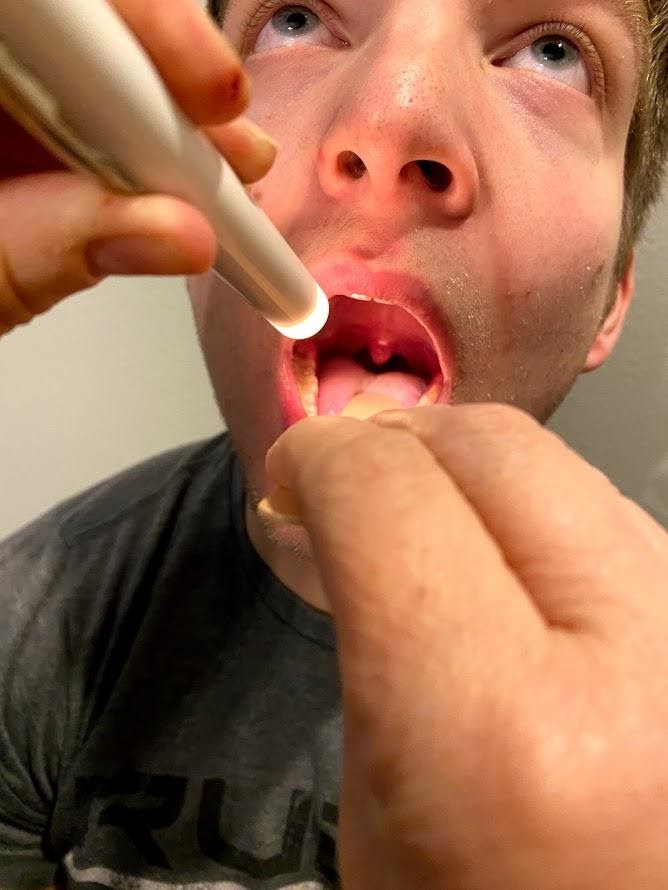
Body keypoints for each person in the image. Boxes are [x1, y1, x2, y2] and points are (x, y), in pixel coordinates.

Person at [1, 0, 667, 886]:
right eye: (298, 18)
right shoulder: (33, 631)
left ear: (612, 300)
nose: (393, 119)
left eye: (551, 53)